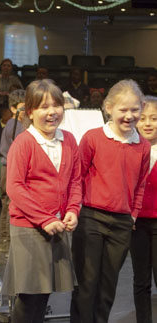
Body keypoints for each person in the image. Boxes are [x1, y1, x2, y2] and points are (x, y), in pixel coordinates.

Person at [70, 79, 150, 323]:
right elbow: (77, 177)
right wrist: (76, 209)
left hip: (122, 224)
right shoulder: (93, 138)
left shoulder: (143, 146)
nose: (129, 116)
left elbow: (140, 186)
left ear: (142, 108)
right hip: (91, 219)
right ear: (109, 108)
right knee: (87, 283)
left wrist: (133, 215)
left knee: (108, 286)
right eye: (123, 110)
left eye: (134, 110)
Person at [3, 79, 81, 323]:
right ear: (30, 112)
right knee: (29, 298)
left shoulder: (68, 140)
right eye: (44, 107)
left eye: (56, 105)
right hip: (29, 228)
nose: (52, 112)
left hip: (56, 226)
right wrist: (44, 218)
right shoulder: (24, 143)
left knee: (44, 294)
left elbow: (76, 181)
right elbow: (14, 187)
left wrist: (72, 210)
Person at [130, 95, 157, 323]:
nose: (148, 123)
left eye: (154, 118)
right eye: (143, 118)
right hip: (136, 224)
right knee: (141, 281)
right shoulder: (129, 149)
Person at [0, 89, 26, 254]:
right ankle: (6, 243)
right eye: (23, 107)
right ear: (14, 109)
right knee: (9, 205)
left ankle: (3, 241)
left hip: (9, 168)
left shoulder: (15, 123)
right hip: (10, 168)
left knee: (6, 205)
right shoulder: (15, 125)